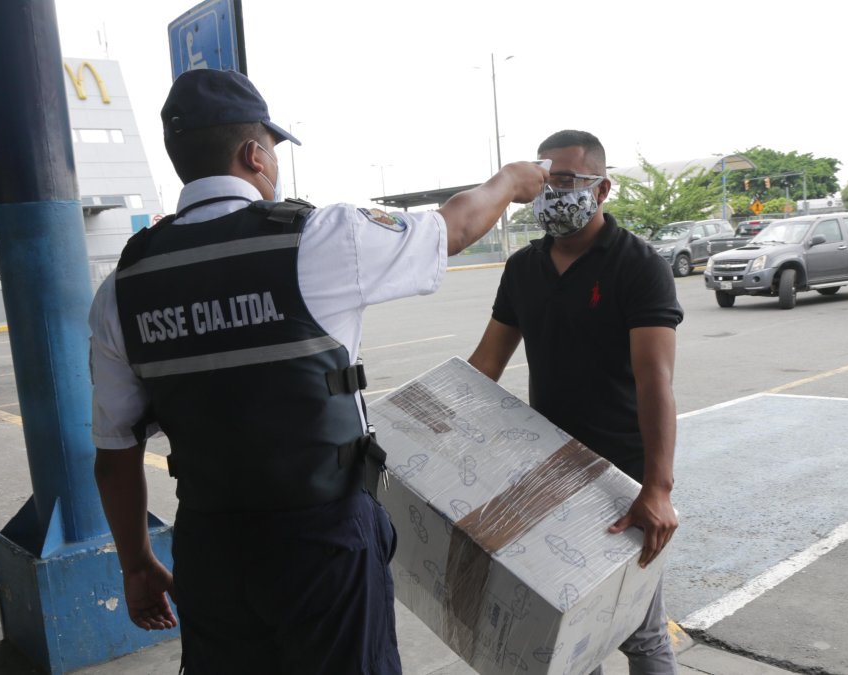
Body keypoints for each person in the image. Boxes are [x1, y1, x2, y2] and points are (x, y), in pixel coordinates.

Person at [89, 68, 547, 674]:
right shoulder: (321, 238)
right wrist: (513, 179)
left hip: (211, 549)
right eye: (273, 151)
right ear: (254, 154)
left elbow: (115, 451)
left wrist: (137, 562)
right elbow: (456, 226)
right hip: (323, 544)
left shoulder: (123, 286)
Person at [467, 129, 682, 675]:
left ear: (602, 189)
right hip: (550, 472)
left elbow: (655, 381)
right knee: (561, 627)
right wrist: (435, 427)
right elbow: (486, 365)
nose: (551, 194)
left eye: (565, 180)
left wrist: (656, 489)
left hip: (620, 479)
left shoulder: (637, 265)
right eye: (543, 181)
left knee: (639, 631)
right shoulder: (523, 268)